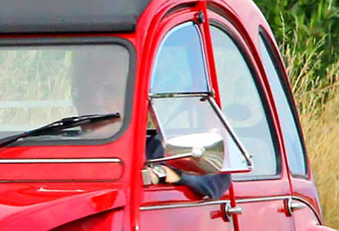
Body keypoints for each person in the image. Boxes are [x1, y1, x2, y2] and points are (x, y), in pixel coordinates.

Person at [70, 48, 230, 199]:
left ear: (135, 99)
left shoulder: (154, 149)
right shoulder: (57, 149)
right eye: (86, 91)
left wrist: (162, 173)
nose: (97, 102)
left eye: (111, 91)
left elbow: (216, 176)